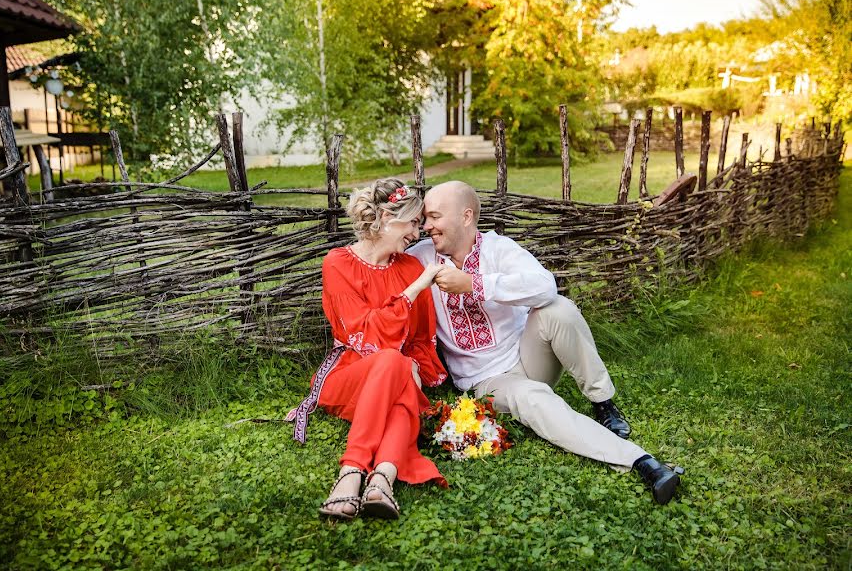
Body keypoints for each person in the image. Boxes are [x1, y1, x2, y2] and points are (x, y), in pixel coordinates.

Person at [408, 180, 683, 505]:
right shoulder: (421, 258)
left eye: (435, 217)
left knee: (559, 309)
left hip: (530, 355)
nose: (427, 226)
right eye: (425, 218)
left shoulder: (497, 248)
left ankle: (603, 402)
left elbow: (544, 286)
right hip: (487, 381)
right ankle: (642, 462)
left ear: (466, 217)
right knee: (535, 400)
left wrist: (474, 283)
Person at [286, 178, 448, 521]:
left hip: (396, 370)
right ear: (387, 218)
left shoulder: (409, 267)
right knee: (392, 360)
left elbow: (419, 338)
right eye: (413, 222)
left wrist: (417, 367)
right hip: (348, 374)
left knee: (401, 368)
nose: (417, 233)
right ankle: (358, 470)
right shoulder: (338, 264)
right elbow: (368, 335)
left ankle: (377, 479)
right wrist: (415, 289)